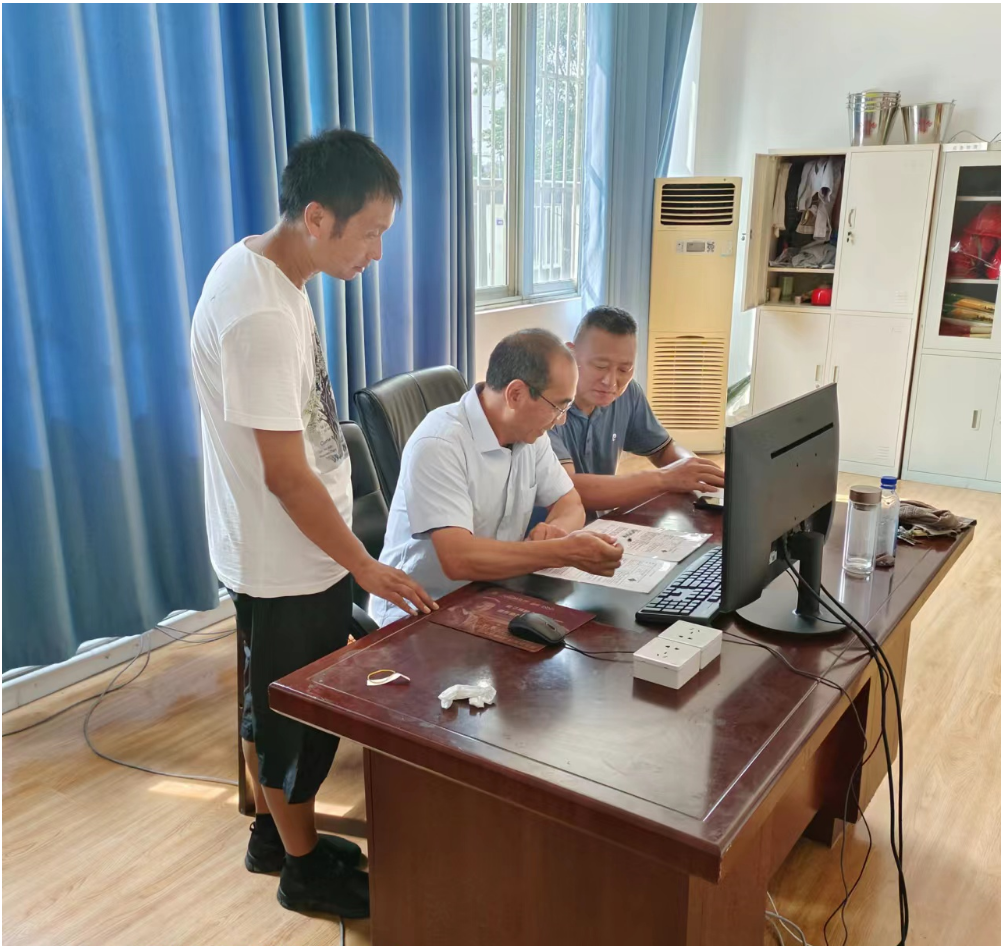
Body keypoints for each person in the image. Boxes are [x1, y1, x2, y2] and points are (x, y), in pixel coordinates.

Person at [190, 129, 436, 920]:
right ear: (319, 217)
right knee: (299, 719)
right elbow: (286, 475)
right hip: (289, 558)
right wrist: (362, 565)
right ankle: (302, 871)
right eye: (370, 233)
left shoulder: (269, 271)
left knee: (273, 699)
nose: (376, 253)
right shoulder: (259, 313)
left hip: (286, 546)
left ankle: (274, 836)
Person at [371, 329, 624, 627]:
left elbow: (570, 503)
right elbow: (459, 559)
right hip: (421, 614)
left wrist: (556, 531)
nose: (561, 420)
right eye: (558, 406)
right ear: (515, 394)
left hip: (495, 595)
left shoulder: (530, 435)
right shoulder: (439, 444)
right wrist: (560, 551)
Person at [549, 306, 725, 512]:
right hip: (552, 527)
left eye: (625, 369)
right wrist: (664, 478)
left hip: (604, 522)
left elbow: (663, 449)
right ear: (571, 353)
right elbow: (567, 490)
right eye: (600, 366)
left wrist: (694, 469)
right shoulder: (546, 405)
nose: (610, 382)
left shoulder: (628, 394)